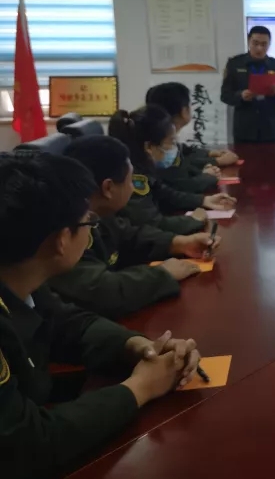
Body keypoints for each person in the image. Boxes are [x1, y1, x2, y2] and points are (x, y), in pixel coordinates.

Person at [0, 151, 202, 479]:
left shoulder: (22, 278)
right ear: (61, 240)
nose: (92, 229)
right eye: (87, 222)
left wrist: (139, 347)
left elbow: (70, 324)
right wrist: (140, 388)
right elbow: (27, 444)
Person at [47, 136, 222, 319]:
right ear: (108, 188)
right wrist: (162, 274)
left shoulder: (97, 211)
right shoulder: (64, 231)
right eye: (129, 181)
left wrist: (179, 243)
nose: (132, 189)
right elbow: (101, 291)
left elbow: (129, 236)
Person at [109, 105, 236, 236]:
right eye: (170, 142)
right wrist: (192, 220)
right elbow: (152, 224)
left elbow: (166, 194)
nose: (174, 148)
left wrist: (203, 200)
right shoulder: (131, 176)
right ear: (149, 147)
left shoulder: (144, 166)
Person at [146, 82, 240, 193]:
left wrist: (210, 154)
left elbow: (185, 152)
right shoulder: (157, 144)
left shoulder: (161, 135)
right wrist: (214, 166)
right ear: (184, 111)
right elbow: (181, 183)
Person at [220, 25, 275, 143]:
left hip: (271, 130)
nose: (259, 48)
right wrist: (241, 96)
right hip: (244, 130)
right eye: (255, 43)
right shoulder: (235, 64)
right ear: (249, 41)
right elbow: (225, 95)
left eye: (264, 44)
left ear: (269, 44)